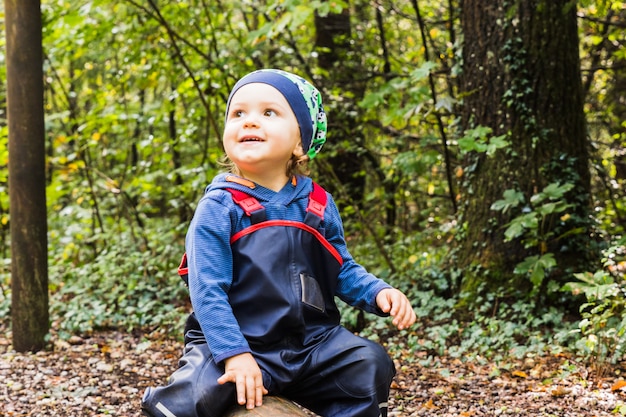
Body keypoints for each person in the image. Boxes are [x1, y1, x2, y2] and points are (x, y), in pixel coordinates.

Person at [141, 69, 416, 417]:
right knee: (191, 399)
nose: (250, 122)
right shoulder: (220, 207)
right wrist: (235, 355)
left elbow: (341, 268)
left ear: (300, 142)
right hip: (239, 341)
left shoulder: (317, 203)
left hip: (312, 345)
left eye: (268, 113)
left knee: (369, 362)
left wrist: (378, 293)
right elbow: (207, 289)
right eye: (238, 114)